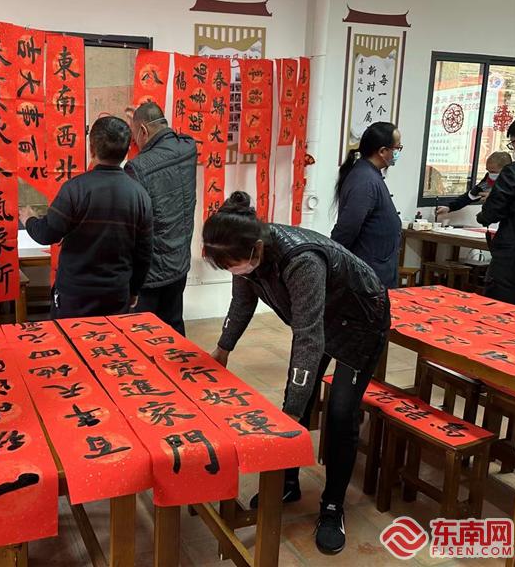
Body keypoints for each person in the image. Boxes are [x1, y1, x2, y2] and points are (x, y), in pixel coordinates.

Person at [205, 191, 390, 555]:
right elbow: (242, 302)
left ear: (257, 249)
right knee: (297, 401)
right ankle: (288, 483)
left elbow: (308, 335)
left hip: (360, 323)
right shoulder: (243, 249)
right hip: (322, 319)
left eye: (232, 265)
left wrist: (290, 412)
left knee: (339, 413)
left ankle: (332, 507)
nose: (232, 271)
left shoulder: (301, 260)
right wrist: (222, 349)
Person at [19, 116, 153, 318]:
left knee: (69, 337)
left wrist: (29, 219)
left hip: (74, 295)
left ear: (91, 149)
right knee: (110, 338)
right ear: (127, 151)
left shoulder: (74, 189)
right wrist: (134, 290)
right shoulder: (140, 195)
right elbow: (144, 254)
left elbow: (47, 234)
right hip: (116, 294)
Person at [125, 101, 197, 335]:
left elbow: (133, 226)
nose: (135, 142)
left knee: (143, 334)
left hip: (151, 272)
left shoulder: (137, 168)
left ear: (143, 130)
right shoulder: (188, 147)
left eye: (135, 135)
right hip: (180, 261)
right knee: (174, 326)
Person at [331, 121, 403, 288]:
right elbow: (347, 228)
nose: (398, 152)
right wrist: (332, 261)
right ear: (382, 151)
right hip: (368, 275)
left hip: (377, 270)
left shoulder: (370, 175)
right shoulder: (365, 181)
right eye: (397, 148)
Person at [476, 118, 515, 304]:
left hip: (511, 259)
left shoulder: (513, 172)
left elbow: (492, 212)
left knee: (499, 309)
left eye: (513, 143)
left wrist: (482, 215)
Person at [436, 151, 512, 216]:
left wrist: (495, 197)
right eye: (488, 171)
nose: (490, 174)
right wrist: (449, 207)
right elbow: (471, 195)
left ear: (507, 170)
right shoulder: (487, 182)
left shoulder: (513, 183)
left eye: (493, 171)